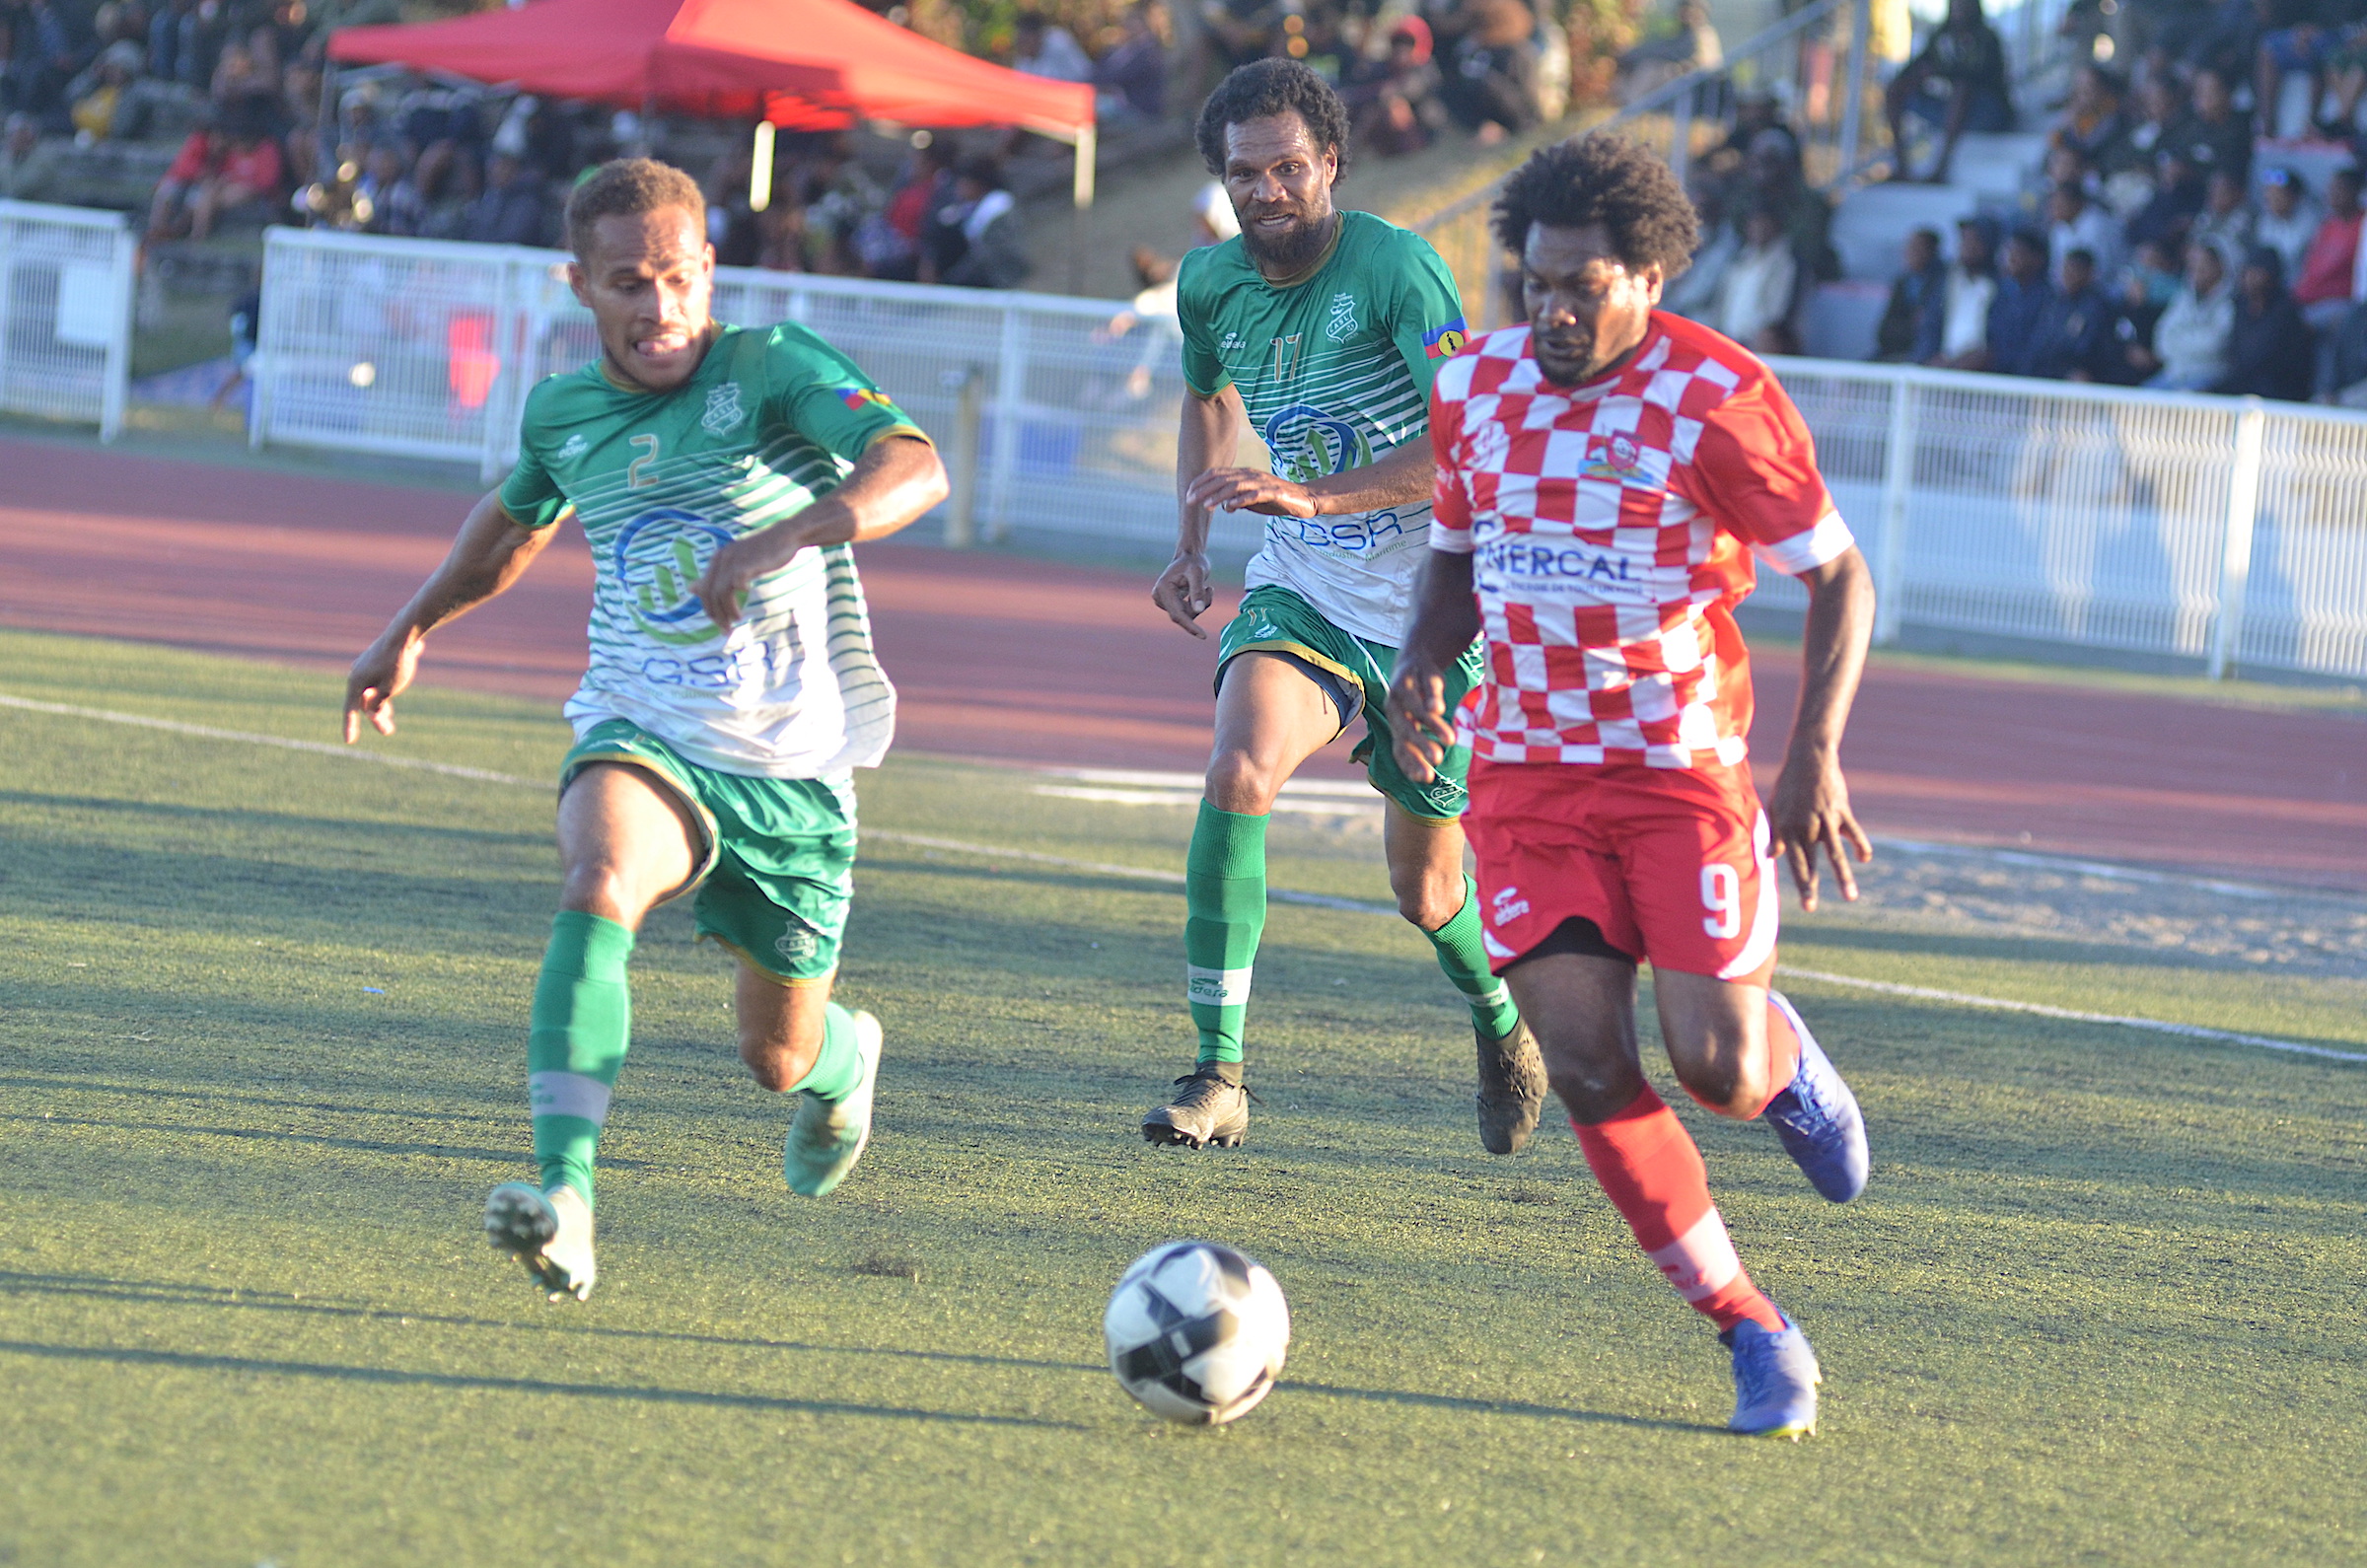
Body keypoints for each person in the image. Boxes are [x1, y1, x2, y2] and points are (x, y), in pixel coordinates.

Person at [341, 159, 950, 1304]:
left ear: (709, 270)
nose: (659, 305)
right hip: (643, 723)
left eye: (677, 277)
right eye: (628, 283)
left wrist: (792, 532)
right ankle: (567, 1199)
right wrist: (407, 628)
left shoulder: (773, 368)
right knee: (600, 877)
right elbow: (510, 528)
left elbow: (914, 466)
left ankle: (846, 1063)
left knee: (777, 1059)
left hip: (791, 765)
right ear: (580, 285)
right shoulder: (565, 413)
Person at [1387, 132, 1873, 1442]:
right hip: (1527, 782)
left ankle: (1779, 1063)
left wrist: (1812, 755)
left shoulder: (1719, 397)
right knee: (1589, 1061)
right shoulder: (1474, 386)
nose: (1552, 310)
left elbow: (1839, 576)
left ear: (1651, 279)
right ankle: (1752, 1327)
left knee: (1714, 1068)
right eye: (1534, 283)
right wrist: (1422, 662)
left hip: (1680, 778)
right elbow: (1454, 556)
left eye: (1583, 288)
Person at [1144, 59, 1542, 1155]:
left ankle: (1500, 1021)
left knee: (1426, 892)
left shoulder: (1397, 266)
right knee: (1238, 770)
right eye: (1244, 174)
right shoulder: (1208, 283)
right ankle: (1219, 1071)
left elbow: (1465, 440)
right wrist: (1191, 542)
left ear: (1330, 163)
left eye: (1287, 167)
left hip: (1434, 610)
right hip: (1304, 584)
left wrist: (1315, 494)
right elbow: (1206, 397)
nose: (1266, 190)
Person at [1884, 0, 2013, 182]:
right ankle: (1901, 166)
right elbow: (1914, 70)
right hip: (1951, 110)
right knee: (1896, 90)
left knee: (1962, 90)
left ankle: (1940, 169)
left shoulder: (1986, 38)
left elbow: (1974, 78)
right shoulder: (1941, 37)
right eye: (1955, 4)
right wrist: (1921, 75)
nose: (1959, 9)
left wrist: (1943, 70)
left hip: (1988, 114)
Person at [2214, 247, 2313, 399]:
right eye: (2248, 272)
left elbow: (2264, 357)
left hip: (2279, 391)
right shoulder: (2241, 305)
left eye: (2257, 272)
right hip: (2244, 384)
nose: (2250, 278)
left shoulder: (2286, 311)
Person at [1345, 15, 1448, 158]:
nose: (1401, 50)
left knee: (1395, 106)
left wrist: (1390, 92)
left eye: (1407, 44)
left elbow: (1413, 89)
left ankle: (1351, 152)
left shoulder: (1426, 67)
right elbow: (1367, 87)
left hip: (1423, 129)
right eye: (1398, 43)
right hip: (1390, 135)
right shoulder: (1386, 68)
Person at [1709, 203, 1797, 352]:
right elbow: (1724, 300)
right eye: (1754, 223)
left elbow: (1778, 311)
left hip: (1760, 346)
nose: (1759, 228)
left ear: (1775, 226)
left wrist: (1765, 338)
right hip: (1729, 340)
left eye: (1764, 223)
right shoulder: (1740, 258)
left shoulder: (1785, 262)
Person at [2148, 241, 2235, 389]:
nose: (2196, 270)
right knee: (2141, 397)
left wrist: (2180, 339)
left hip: (2209, 377)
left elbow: (2214, 345)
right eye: (2192, 265)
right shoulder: (2184, 298)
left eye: (2202, 264)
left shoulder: (2231, 302)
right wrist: (2192, 340)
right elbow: (2162, 338)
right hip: (2174, 374)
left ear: (2219, 266)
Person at [940, 157, 1029, 288]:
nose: (959, 189)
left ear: (977, 184)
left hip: (1001, 276)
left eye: (964, 184)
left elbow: (995, 253)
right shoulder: (967, 208)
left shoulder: (999, 209)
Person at [1982, 228, 2056, 376]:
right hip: (1999, 373)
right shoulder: (2003, 293)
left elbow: (2040, 345)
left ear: (2037, 259)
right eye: (2010, 252)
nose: (2012, 258)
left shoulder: (2049, 298)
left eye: (2019, 253)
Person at [2034, 247, 2114, 378]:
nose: (2068, 275)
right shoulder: (2054, 302)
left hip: (2079, 372)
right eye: (2066, 268)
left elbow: (2085, 347)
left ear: (2089, 273)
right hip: (2046, 369)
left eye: (2075, 270)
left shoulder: (2097, 306)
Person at [1875, 226, 1948, 361]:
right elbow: (1883, 331)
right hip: (1894, 349)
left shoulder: (1943, 283)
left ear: (1932, 251)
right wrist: (1909, 325)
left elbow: (1928, 328)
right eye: (1909, 247)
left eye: (1917, 248)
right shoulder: (1902, 282)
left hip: (1925, 355)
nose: (1910, 253)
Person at [1934, 214, 1997, 367]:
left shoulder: (2000, 287)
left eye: (1974, 240)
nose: (1967, 247)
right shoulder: (1948, 282)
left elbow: (1997, 343)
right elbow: (1931, 328)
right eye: (1964, 239)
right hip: (1941, 368)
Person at [464, 151, 547, 246]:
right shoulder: (487, 197)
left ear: (515, 170)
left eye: (503, 167)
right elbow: (471, 229)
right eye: (494, 166)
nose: (496, 171)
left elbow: (513, 236)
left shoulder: (527, 203)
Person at [2045, 179, 2120, 286]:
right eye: (2053, 205)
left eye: (2060, 205)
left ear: (2076, 203)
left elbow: (2102, 269)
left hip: (2108, 286)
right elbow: (2055, 269)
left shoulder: (2098, 224)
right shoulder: (2058, 228)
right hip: (2070, 289)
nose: (2054, 210)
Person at [2256, 168, 2321, 279]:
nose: (2271, 198)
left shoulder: (2311, 223)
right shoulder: (2266, 219)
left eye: (2277, 194)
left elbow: (2288, 257)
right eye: (2269, 193)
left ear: (2294, 196)